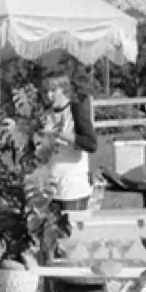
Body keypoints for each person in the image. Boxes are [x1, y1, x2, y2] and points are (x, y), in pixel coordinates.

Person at [41, 69, 98, 213]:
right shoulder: (47, 114)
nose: (49, 95)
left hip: (73, 188)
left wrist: (62, 135)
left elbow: (91, 144)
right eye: (47, 91)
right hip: (52, 187)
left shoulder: (76, 110)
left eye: (53, 91)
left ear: (64, 90)